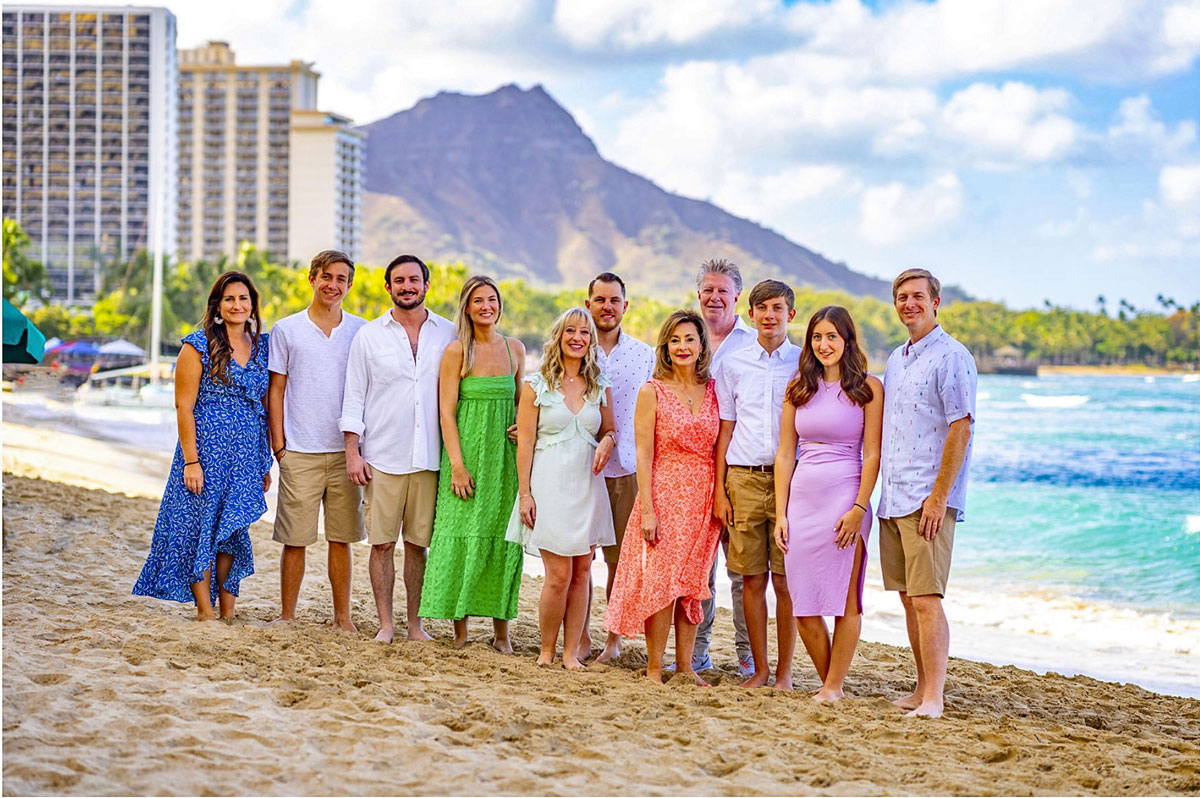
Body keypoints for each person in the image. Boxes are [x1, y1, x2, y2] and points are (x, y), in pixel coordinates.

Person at [133, 271, 272, 620]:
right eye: (229, 299)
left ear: (252, 304)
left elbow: (267, 405)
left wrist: (264, 460)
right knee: (199, 529)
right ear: (217, 306)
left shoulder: (263, 346)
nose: (237, 305)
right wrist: (191, 461)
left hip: (245, 456)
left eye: (243, 298)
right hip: (205, 452)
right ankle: (205, 612)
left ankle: (228, 611)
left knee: (233, 531)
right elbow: (184, 406)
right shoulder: (197, 344)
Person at [340, 255, 456, 643]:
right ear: (388, 287)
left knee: (418, 547)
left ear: (426, 285)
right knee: (382, 544)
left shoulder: (449, 334)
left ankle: (414, 626)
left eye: (414, 280)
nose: (407, 286)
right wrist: (352, 452)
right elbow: (353, 397)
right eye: (399, 281)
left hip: (429, 457)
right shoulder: (369, 336)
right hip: (383, 457)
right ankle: (386, 625)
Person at [603, 309, 723, 685]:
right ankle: (655, 667)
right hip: (664, 495)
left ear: (702, 344)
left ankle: (685, 667)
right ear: (665, 348)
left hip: (703, 496)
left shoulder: (716, 390)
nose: (683, 346)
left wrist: (720, 495)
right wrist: (649, 510)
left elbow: (722, 447)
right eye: (675, 340)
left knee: (692, 583)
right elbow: (643, 454)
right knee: (660, 583)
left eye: (690, 339)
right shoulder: (651, 391)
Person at [878, 268, 977, 718]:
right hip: (894, 497)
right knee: (907, 598)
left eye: (918, 296)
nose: (909, 303)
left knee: (926, 598)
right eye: (902, 297)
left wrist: (939, 498)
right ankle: (921, 689)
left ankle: (934, 697)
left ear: (936, 302)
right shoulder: (897, 359)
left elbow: (961, 427)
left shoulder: (952, 356)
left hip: (927, 501)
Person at [773, 305, 882, 702]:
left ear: (847, 340)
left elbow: (872, 455)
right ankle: (829, 683)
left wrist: (858, 508)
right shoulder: (797, 387)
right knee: (803, 603)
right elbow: (786, 453)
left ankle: (833, 687)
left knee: (845, 598)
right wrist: (780, 514)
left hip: (846, 499)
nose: (824, 344)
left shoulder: (869, 388)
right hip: (801, 503)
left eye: (832, 336)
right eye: (817, 337)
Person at [505, 307, 617, 669]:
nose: (577, 338)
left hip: (587, 485)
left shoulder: (601, 385)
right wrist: (525, 493)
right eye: (570, 331)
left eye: (585, 333)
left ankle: (571, 653)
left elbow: (610, 430)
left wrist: (608, 442)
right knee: (558, 574)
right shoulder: (536, 386)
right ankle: (547, 650)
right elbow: (524, 444)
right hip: (548, 485)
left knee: (583, 571)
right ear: (559, 336)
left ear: (591, 341)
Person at [419, 275, 526, 651]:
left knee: (503, 539)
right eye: (478, 300)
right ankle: (460, 632)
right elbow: (446, 413)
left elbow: (519, 404)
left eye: (492, 299)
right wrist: (458, 465)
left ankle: (502, 635)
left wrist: (521, 426)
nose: (486, 306)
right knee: (459, 536)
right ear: (467, 307)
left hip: (505, 462)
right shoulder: (456, 352)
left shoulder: (515, 349)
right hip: (465, 458)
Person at [267, 250, 368, 633]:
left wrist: (360, 446)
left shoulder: (361, 331)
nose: (333, 285)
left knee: (341, 540)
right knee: (295, 539)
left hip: (347, 453)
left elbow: (368, 391)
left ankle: (343, 619)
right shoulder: (286, 330)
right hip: (300, 451)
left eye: (341, 279)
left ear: (349, 285)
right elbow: (276, 391)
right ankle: (287, 615)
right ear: (312, 279)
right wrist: (280, 448)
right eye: (326, 277)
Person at [712, 279, 800, 689]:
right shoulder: (733, 365)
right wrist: (719, 489)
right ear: (751, 314)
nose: (769, 316)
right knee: (750, 578)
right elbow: (725, 429)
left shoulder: (804, 364)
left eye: (777, 308)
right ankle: (759, 669)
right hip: (743, 479)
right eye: (762, 308)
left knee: (785, 580)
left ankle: (783, 673)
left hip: (791, 482)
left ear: (790, 315)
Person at [584, 272, 655, 664]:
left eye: (614, 300)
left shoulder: (644, 355)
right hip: (580, 467)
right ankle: (580, 637)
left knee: (618, 563)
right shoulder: (575, 347)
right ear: (589, 302)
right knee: (581, 557)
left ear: (625, 306)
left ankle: (612, 639)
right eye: (600, 300)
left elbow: (654, 416)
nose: (607, 307)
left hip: (627, 468)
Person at [693, 258, 756, 676]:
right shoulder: (686, 340)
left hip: (738, 470)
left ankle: (747, 655)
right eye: (707, 290)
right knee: (698, 567)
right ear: (697, 295)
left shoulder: (753, 346)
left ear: (737, 297)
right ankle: (697, 651)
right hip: (693, 469)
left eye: (723, 291)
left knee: (742, 569)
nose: (715, 297)